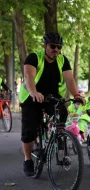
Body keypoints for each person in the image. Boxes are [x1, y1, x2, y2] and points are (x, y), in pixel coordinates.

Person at [20, 32, 85, 177]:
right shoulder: (34, 57)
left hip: (52, 95)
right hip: (32, 96)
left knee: (62, 110)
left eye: (59, 47)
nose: (56, 49)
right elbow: (29, 76)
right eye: (53, 46)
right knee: (29, 130)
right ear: (45, 46)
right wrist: (33, 92)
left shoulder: (63, 60)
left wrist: (76, 95)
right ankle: (28, 159)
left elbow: (69, 80)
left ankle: (58, 135)